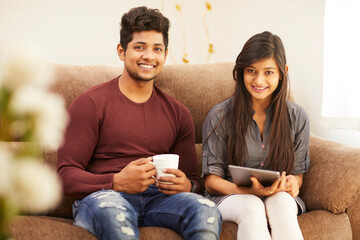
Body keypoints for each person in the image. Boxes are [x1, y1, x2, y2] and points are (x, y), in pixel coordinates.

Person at [57, 6, 221, 240]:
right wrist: (116, 181)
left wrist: (187, 186)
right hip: (105, 197)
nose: (149, 56)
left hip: (161, 200)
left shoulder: (179, 113)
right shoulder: (90, 103)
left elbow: (193, 180)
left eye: (157, 49)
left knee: (207, 210)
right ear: (121, 52)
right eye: (139, 47)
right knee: (113, 213)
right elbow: (65, 175)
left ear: (165, 54)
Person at [202, 31, 310, 240]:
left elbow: (298, 174)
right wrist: (253, 192)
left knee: (283, 203)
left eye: (268, 72)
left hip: (275, 195)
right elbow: (211, 182)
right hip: (230, 196)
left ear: (283, 72)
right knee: (251, 207)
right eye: (251, 71)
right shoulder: (220, 115)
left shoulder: (297, 117)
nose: (259, 80)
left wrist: (292, 184)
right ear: (242, 71)